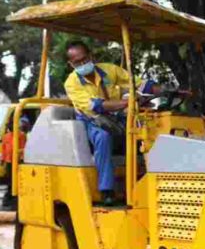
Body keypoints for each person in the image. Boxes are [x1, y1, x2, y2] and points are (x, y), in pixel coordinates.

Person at [63, 41, 174, 206]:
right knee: (103, 137)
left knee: (147, 128)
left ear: (91, 56)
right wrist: (128, 102)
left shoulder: (109, 70)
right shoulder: (71, 83)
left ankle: (152, 177)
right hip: (91, 121)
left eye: (84, 59)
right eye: (77, 62)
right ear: (71, 64)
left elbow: (140, 84)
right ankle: (106, 190)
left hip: (115, 117)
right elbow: (96, 106)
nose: (82, 64)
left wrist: (166, 90)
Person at [1, 116, 29, 208]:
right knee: (10, 181)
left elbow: (24, 147)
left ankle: (16, 199)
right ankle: (10, 198)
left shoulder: (21, 135)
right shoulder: (6, 137)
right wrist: (3, 160)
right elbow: (4, 149)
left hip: (18, 162)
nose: (10, 127)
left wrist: (22, 159)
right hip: (9, 162)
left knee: (18, 181)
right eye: (9, 126)